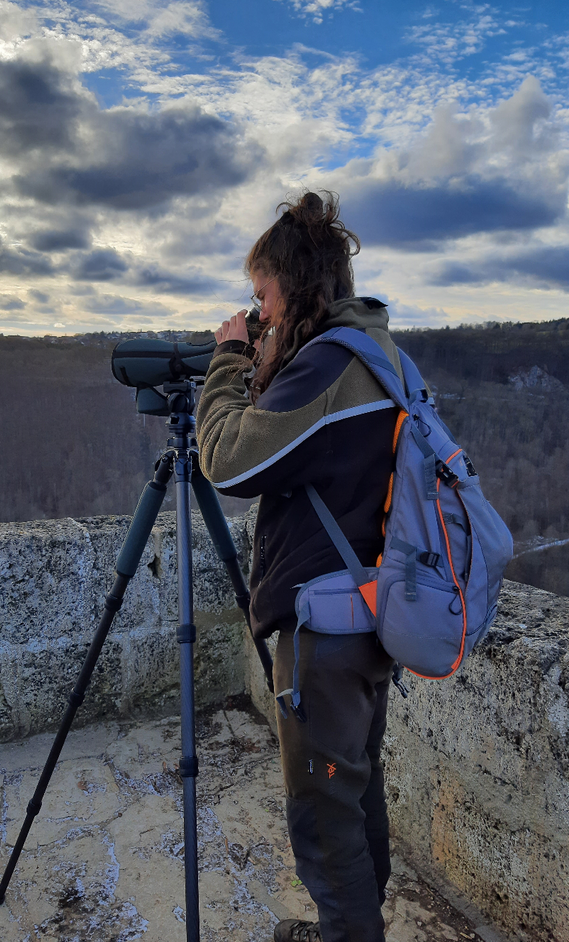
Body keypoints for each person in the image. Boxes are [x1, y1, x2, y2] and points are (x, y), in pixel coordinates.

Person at [195, 191, 404, 942]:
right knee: (352, 792)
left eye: (262, 296)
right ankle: (354, 926)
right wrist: (265, 361)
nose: (258, 312)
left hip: (328, 631)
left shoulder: (326, 367)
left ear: (293, 283)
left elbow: (225, 462)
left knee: (321, 815)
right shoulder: (376, 353)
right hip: (375, 612)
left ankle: (347, 930)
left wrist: (225, 364)